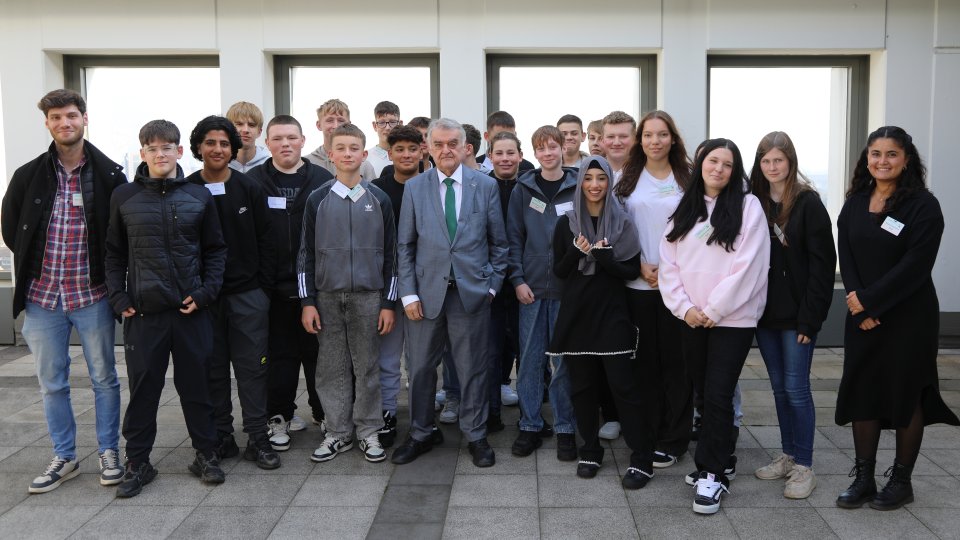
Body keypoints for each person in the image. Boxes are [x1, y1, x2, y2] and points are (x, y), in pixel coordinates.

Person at [2, 89, 125, 493]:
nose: (64, 123)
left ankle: (109, 451)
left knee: (104, 377)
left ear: (84, 118)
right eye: (56, 117)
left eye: (71, 115)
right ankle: (65, 456)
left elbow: (119, 235)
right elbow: (11, 228)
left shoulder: (108, 175)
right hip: (42, 299)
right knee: (52, 382)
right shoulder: (28, 175)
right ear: (48, 123)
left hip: (91, 295)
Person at [834, 126, 960, 510]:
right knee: (863, 391)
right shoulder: (855, 202)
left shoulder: (923, 205)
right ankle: (864, 478)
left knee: (906, 393)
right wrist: (859, 305)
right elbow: (848, 254)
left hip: (909, 317)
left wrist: (870, 303)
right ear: (866, 158)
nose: (882, 161)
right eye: (875, 153)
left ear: (906, 159)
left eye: (891, 154)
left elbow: (915, 266)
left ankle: (901, 481)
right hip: (862, 315)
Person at [105, 119, 228, 497]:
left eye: (168, 147)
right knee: (144, 390)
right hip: (144, 315)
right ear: (142, 153)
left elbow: (215, 251)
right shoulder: (124, 197)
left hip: (191, 311)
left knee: (197, 387)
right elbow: (113, 254)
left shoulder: (198, 195)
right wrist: (119, 298)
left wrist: (206, 293)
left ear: (179, 151)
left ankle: (205, 455)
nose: (161, 154)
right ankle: (138, 462)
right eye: (152, 148)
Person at [658, 138, 769, 515]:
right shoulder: (683, 206)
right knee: (703, 392)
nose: (718, 168)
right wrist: (686, 309)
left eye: (726, 163)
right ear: (700, 163)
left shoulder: (748, 206)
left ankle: (712, 473)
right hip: (691, 318)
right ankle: (717, 456)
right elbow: (668, 263)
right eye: (712, 161)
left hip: (732, 319)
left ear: (734, 169)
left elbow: (749, 265)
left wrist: (714, 309)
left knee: (720, 393)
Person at [392, 118, 509, 468]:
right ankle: (421, 433)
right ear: (429, 147)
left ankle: (475, 434)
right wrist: (409, 294)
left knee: (473, 367)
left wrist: (491, 286)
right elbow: (405, 245)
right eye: (439, 144)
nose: (446, 150)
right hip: (425, 296)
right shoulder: (415, 188)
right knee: (422, 369)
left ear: (465, 148)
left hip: (471, 294)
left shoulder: (484, 186)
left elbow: (498, 244)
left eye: (452, 144)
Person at [546, 156, 649, 489]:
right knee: (582, 387)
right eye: (588, 178)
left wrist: (606, 259)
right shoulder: (567, 223)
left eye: (601, 178)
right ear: (580, 184)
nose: (594, 185)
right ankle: (590, 449)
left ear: (609, 182)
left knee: (624, 386)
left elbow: (631, 271)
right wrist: (577, 253)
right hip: (578, 314)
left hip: (612, 313)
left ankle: (641, 456)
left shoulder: (622, 223)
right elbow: (560, 271)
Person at [298, 123, 397, 464]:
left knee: (367, 365)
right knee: (331, 367)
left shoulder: (379, 198)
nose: (347, 154)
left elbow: (392, 255)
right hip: (327, 297)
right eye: (341, 148)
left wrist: (388, 302)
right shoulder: (318, 198)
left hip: (368, 297)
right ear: (330, 153)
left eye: (354, 148)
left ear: (364, 154)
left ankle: (369, 430)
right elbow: (305, 254)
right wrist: (307, 301)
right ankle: (338, 431)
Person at [186, 116, 279, 470]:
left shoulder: (249, 188)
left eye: (225, 143)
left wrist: (263, 290)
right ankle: (221, 437)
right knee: (212, 370)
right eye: (211, 142)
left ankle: (258, 437)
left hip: (248, 295)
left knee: (253, 369)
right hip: (203, 299)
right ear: (198, 147)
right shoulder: (187, 189)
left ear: (233, 148)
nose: (218, 149)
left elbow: (266, 241)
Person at [749, 131, 836, 499]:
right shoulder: (753, 202)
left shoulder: (808, 203)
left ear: (791, 162)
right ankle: (787, 454)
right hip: (765, 312)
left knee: (797, 389)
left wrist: (811, 319)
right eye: (766, 161)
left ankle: (804, 466)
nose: (772, 167)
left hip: (799, 315)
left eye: (778, 161)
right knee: (779, 389)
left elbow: (823, 264)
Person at [247, 115, 334, 450]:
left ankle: (323, 412)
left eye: (291, 138)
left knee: (318, 355)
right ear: (266, 143)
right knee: (278, 356)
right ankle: (278, 416)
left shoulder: (323, 179)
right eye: (278, 138)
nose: (285, 144)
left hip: (316, 287)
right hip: (271, 288)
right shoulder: (253, 182)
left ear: (302, 141)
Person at [616, 110, 693, 470]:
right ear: (639, 140)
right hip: (638, 284)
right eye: (648, 135)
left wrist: (669, 269)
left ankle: (675, 438)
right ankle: (648, 432)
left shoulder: (688, 178)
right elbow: (616, 232)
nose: (655, 141)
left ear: (673, 139)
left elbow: (698, 232)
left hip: (679, 287)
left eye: (662, 135)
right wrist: (639, 267)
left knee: (677, 366)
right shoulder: (625, 180)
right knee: (644, 366)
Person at [506, 127, 578, 461]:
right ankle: (530, 424)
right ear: (533, 153)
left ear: (563, 148)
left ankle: (565, 428)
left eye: (552, 147)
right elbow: (514, 237)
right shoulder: (524, 188)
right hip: (531, 289)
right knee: (531, 362)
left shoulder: (578, 185)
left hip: (567, 289)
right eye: (541, 148)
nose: (547, 153)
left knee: (563, 364)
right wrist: (517, 279)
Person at [372, 125, 424, 447]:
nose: (406, 154)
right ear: (389, 154)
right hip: (386, 288)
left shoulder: (430, 186)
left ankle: (422, 415)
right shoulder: (376, 190)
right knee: (388, 358)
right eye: (399, 149)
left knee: (421, 359)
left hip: (423, 286)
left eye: (412, 149)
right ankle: (387, 413)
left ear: (422, 152)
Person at [305, 98, 377, 181]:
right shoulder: (308, 163)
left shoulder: (364, 166)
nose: (336, 126)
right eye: (330, 120)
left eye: (341, 120)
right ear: (319, 125)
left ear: (349, 124)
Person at [226, 101, 271, 173]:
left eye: (251, 125)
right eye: (239, 124)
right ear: (229, 129)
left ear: (259, 132)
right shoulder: (219, 163)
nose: (245, 130)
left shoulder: (270, 165)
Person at [367, 101, 402, 176]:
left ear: (400, 124)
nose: (387, 128)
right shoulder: (365, 159)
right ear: (374, 126)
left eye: (392, 122)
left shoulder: (408, 156)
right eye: (382, 123)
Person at [600, 111, 636, 181]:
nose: (617, 143)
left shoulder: (647, 173)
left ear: (634, 139)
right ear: (602, 140)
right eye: (611, 136)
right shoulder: (588, 174)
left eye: (623, 136)